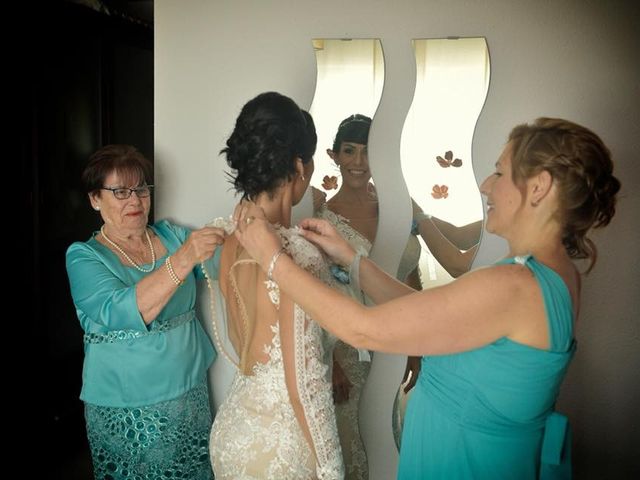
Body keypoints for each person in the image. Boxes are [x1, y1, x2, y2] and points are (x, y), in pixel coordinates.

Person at [233, 117, 620, 478]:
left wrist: (273, 261)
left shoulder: (515, 285)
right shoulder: (555, 274)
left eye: (500, 171)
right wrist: (352, 261)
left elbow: (363, 330)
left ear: (539, 187)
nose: (487, 184)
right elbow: (433, 314)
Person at [314, 113, 482, 459]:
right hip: (349, 350)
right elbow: (318, 289)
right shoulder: (323, 217)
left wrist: (415, 345)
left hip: (397, 344)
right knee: (352, 445)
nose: (359, 162)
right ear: (334, 157)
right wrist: (331, 361)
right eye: (349, 151)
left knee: (389, 441)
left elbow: (412, 273)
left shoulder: (400, 208)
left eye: (368, 152)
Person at [65, 145, 225, 480]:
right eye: (120, 192)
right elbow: (124, 310)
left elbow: (225, 269)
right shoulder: (83, 257)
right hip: (126, 407)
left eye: (140, 189)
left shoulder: (172, 235)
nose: (134, 200)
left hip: (188, 395)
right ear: (95, 199)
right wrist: (183, 259)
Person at [208, 92, 344, 479]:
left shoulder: (230, 235)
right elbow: (305, 386)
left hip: (234, 430)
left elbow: (243, 341)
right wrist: (332, 469)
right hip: (281, 447)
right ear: (299, 166)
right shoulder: (296, 256)